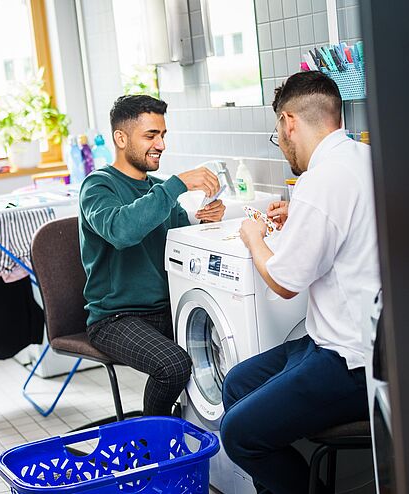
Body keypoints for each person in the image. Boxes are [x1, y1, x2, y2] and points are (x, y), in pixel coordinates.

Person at [220, 71, 380, 493]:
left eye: (278, 132)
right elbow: (349, 231)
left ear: (289, 122)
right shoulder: (362, 159)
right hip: (340, 343)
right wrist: (299, 218)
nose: (283, 142)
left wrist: (254, 238)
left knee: (238, 434)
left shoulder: (320, 180)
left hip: (352, 363)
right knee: (236, 382)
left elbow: (285, 282)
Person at [79, 94, 225, 416]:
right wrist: (177, 185)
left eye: (163, 135)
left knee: (226, 351)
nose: (161, 144)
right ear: (121, 138)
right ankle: (152, 445)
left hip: (165, 310)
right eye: (150, 135)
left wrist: (202, 222)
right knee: (173, 366)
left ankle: (189, 430)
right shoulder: (97, 187)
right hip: (115, 318)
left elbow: (176, 239)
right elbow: (122, 230)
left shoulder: (157, 189)